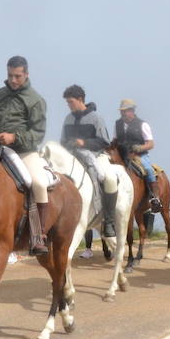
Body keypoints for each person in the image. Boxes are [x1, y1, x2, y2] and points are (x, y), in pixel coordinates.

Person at [0, 55, 50, 256]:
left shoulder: (36, 100)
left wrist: (14, 137)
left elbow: (38, 134)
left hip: (25, 151)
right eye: (10, 76)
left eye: (18, 76)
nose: (13, 80)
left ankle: (39, 235)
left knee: (38, 183)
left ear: (26, 74)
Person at [61, 84, 120, 238]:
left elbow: (105, 142)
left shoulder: (96, 118)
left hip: (95, 155)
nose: (68, 105)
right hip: (73, 157)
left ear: (80, 100)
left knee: (110, 179)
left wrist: (83, 143)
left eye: (70, 102)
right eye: (67, 103)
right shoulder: (68, 119)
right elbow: (62, 141)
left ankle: (108, 221)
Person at [116, 98, 162, 212]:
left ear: (132, 111)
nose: (123, 113)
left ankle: (155, 198)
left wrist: (140, 147)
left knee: (148, 169)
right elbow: (115, 140)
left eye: (125, 111)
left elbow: (151, 143)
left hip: (139, 156)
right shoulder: (118, 124)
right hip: (123, 156)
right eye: (121, 111)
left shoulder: (142, 124)